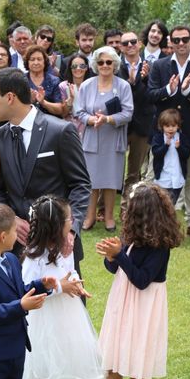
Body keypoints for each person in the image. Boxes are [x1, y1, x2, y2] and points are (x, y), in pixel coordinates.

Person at [0, 68, 90, 275]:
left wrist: (69, 230)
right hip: (16, 245)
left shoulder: (60, 131)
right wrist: (11, 220)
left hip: (58, 242)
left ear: (10, 97)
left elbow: (80, 184)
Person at [96, 182, 183, 379]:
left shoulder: (160, 245)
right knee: (114, 359)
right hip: (122, 302)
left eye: (130, 208)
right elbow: (115, 268)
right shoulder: (130, 233)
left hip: (145, 307)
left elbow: (142, 280)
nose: (125, 211)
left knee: (139, 362)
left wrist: (120, 256)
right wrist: (111, 256)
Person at [0, 202, 56, 379]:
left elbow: (17, 291)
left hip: (14, 349)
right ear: (2, 236)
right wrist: (21, 306)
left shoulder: (11, 259)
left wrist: (40, 286)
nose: (17, 235)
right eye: (15, 231)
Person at [21, 195, 103, 379]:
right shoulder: (34, 256)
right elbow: (28, 290)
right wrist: (60, 287)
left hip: (69, 315)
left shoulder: (66, 247)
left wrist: (75, 282)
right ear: (56, 225)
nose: (72, 222)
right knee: (47, 361)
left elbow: (70, 270)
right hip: (44, 318)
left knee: (70, 356)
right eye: (70, 219)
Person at [147, 25, 190, 239]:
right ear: (170, 42)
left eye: (185, 39)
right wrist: (170, 90)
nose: (181, 44)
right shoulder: (159, 65)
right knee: (154, 175)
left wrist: (187, 91)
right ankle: (153, 219)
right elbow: (151, 94)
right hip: (162, 130)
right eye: (177, 40)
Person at [77, 46, 133, 232]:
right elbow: (78, 111)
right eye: (101, 62)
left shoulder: (123, 86)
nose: (105, 65)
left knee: (110, 180)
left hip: (113, 138)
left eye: (109, 62)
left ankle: (109, 217)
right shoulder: (86, 85)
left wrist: (108, 119)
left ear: (115, 64)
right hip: (92, 137)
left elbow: (128, 113)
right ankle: (90, 216)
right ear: (95, 64)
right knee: (91, 180)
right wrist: (91, 120)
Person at [118, 31, 154, 186]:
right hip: (119, 125)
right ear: (120, 47)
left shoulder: (152, 67)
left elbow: (152, 96)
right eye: (125, 43)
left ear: (139, 43)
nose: (130, 45)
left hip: (142, 124)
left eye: (133, 42)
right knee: (112, 170)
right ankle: (103, 209)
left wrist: (143, 80)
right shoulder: (114, 67)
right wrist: (129, 82)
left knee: (134, 174)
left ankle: (128, 209)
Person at [151, 109, 190, 205]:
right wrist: (166, 145)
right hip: (163, 179)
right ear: (162, 126)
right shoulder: (158, 138)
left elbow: (187, 154)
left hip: (177, 178)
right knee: (162, 204)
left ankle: (168, 219)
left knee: (171, 205)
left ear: (178, 126)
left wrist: (179, 147)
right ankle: (161, 219)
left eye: (173, 126)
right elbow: (156, 153)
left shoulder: (182, 138)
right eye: (167, 126)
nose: (170, 129)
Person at [25, 44, 63, 117]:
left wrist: (43, 102)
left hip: (50, 123)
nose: (36, 63)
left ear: (45, 61)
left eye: (39, 59)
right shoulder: (21, 80)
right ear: (27, 62)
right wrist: (29, 102)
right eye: (32, 59)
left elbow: (60, 109)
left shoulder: (54, 81)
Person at [58, 53, 90, 138]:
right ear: (70, 68)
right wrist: (70, 101)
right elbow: (63, 114)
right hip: (70, 129)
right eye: (74, 66)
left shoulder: (92, 85)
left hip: (88, 127)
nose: (78, 69)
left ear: (86, 68)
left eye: (82, 66)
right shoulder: (64, 86)